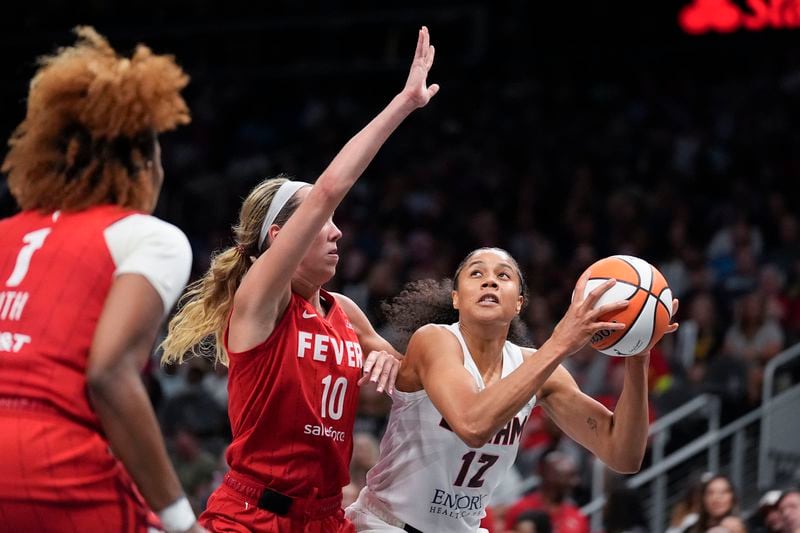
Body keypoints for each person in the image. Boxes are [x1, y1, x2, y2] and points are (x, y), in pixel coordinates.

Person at [160, 26, 439, 533]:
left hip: (327, 517)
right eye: (321, 221)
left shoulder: (345, 313)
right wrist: (403, 104)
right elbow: (331, 187)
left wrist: (384, 358)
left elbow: (399, 376)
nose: (336, 231)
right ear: (283, 237)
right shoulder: (261, 301)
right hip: (254, 515)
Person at [0, 27, 204, 532]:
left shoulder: (5, 233)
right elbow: (108, 373)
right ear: (141, 162)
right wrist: (183, 521)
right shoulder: (150, 237)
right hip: (51, 461)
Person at [345, 247, 679, 533]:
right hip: (387, 524)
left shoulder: (537, 368)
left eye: (504, 276)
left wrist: (638, 356)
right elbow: (472, 425)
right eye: (476, 273)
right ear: (457, 298)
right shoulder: (436, 341)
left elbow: (623, 455)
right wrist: (560, 342)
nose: (490, 280)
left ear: (518, 303)